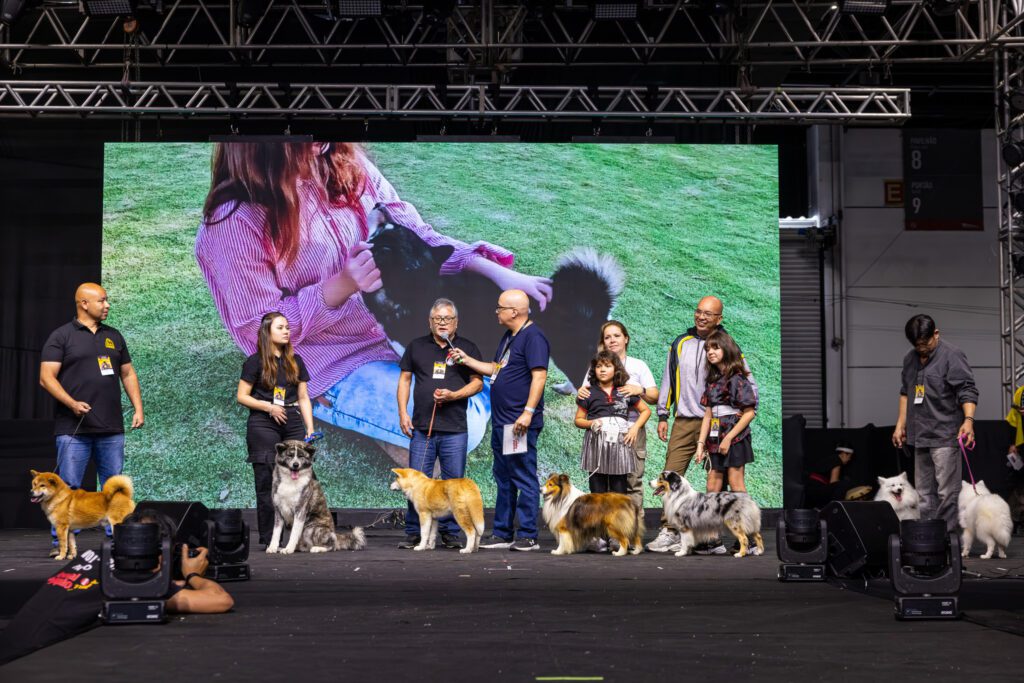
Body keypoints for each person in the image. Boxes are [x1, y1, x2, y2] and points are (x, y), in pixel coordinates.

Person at [195, 142, 551, 463]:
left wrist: (500, 275)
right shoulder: (234, 223)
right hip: (329, 362)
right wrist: (341, 285)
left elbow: (419, 238)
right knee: (463, 424)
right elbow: (257, 329)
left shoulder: (345, 164)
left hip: (397, 334)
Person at [39, 283, 144, 557]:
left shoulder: (113, 336)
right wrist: (72, 403)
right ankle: (61, 545)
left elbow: (128, 373)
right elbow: (46, 378)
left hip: (111, 428)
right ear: (84, 304)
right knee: (67, 488)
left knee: (114, 490)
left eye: (107, 300)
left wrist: (138, 408)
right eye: (102, 301)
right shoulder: (62, 336)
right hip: (73, 429)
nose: (107, 305)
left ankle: (119, 543)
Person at [648, 295, 757, 554]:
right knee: (671, 472)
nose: (701, 316)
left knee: (719, 483)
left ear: (719, 318)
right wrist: (663, 414)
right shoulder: (680, 343)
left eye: (708, 313)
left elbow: (746, 382)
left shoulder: (727, 344)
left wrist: (740, 415)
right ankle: (670, 531)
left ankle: (718, 538)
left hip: (720, 424)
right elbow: (668, 378)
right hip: (686, 420)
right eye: (699, 311)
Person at [450, 289, 550, 551]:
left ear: (514, 312)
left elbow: (539, 376)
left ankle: (528, 535)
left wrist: (527, 412)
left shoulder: (534, 337)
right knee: (504, 477)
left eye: (500, 307)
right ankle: (503, 533)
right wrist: (467, 360)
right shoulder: (510, 336)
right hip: (502, 421)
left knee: (523, 476)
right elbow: (496, 369)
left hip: (518, 423)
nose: (496, 311)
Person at [396, 298, 483, 550]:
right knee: (415, 482)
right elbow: (404, 380)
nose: (442, 323)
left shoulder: (467, 348)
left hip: (455, 429)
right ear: (430, 321)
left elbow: (478, 383)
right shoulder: (416, 346)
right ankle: (414, 531)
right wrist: (402, 413)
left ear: (456, 322)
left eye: (447, 318)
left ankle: (451, 532)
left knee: (454, 484)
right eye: (437, 319)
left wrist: (454, 395)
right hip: (422, 428)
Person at [892, 314, 977, 532]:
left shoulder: (952, 355)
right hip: (920, 435)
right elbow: (905, 393)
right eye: (917, 345)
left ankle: (946, 538)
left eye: (925, 343)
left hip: (945, 434)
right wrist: (900, 424)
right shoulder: (909, 359)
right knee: (923, 493)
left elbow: (967, 390)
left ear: (936, 334)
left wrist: (968, 421)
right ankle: (927, 536)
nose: (921, 349)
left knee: (947, 493)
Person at [236, 312, 314, 547]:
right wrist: (269, 407)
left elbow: (303, 397)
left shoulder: (296, 361)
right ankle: (271, 537)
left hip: (291, 419)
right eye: (280, 327)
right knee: (268, 479)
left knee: (301, 478)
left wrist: (310, 428)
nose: (286, 331)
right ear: (267, 332)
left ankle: (303, 536)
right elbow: (242, 396)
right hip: (263, 421)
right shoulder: (255, 362)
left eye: (287, 327)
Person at [575, 321, 658, 508]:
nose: (612, 340)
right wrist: (581, 392)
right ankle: (601, 523)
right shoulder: (595, 371)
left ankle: (629, 524)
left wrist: (639, 389)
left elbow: (653, 399)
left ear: (626, 338)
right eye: (607, 337)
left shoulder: (638, 365)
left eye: (616, 336)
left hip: (631, 433)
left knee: (631, 482)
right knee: (599, 483)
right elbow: (585, 394)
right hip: (600, 437)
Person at [574, 350, 651, 494]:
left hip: (620, 444)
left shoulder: (625, 391)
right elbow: (578, 420)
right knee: (597, 490)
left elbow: (646, 411)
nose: (602, 369)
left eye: (607, 366)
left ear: (616, 369)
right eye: (598, 366)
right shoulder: (588, 393)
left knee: (619, 490)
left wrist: (634, 428)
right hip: (596, 443)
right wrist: (591, 423)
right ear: (594, 370)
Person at [694, 330, 758, 495]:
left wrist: (728, 438)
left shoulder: (737, 378)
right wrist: (700, 445)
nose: (710, 352)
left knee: (736, 485)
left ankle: (746, 513)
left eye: (715, 348)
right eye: (707, 349)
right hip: (715, 436)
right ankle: (714, 514)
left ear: (727, 349)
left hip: (735, 437)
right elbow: (708, 415)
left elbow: (749, 413)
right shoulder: (712, 381)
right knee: (712, 487)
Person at [804, 444, 856, 508]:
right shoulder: (837, 460)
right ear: (844, 454)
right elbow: (833, 482)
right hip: (816, 491)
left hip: (809, 490)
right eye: (850, 456)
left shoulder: (830, 459)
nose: (849, 459)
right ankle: (835, 508)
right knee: (845, 483)